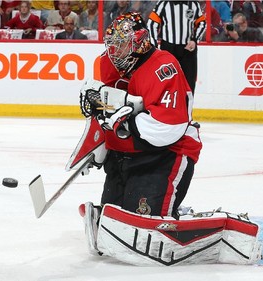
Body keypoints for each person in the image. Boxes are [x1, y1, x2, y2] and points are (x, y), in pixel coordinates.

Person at [80, 12, 202, 218]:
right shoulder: (109, 63)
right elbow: (108, 115)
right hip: (124, 158)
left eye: (121, 44)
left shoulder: (163, 66)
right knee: (114, 217)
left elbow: (167, 128)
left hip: (163, 157)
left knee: (142, 219)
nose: (113, 51)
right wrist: (97, 147)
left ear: (139, 42)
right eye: (111, 44)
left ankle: (174, 211)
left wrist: (124, 119)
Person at [148, 0, 206, 95]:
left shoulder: (193, 4)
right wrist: (154, 46)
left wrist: (195, 40)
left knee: (189, 86)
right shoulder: (163, 3)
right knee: (166, 84)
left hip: (188, 50)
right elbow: (151, 24)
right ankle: (166, 109)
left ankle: (187, 109)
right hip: (168, 50)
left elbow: (202, 23)